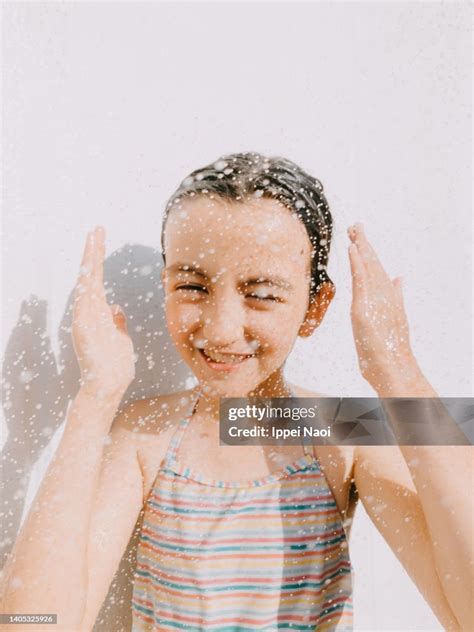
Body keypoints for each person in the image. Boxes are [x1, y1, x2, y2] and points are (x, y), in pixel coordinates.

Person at [0, 152, 472, 632]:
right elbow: (33, 623)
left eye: (262, 295)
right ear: (165, 285)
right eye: (192, 286)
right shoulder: (147, 436)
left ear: (315, 307)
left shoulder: (339, 431)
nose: (222, 331)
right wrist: (95, 396)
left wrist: (397, 372)